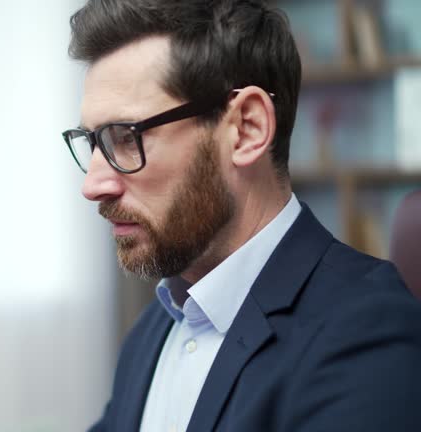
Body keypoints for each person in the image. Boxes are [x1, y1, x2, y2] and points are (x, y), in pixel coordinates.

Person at [60, 1, 421, 431]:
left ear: (247, 129)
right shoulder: (157, 325)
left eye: (124, 137)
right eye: (92, 142)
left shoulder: (365, 336)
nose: (93, 185)